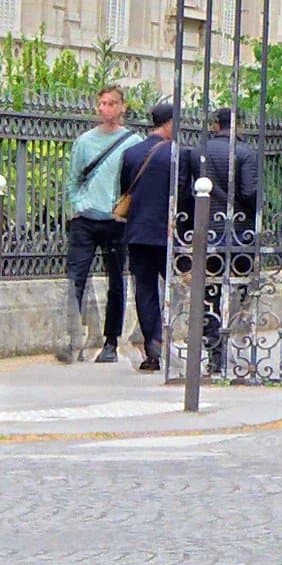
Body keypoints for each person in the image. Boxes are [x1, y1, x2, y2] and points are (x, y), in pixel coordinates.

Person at [62, 87, 142, 364]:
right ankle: (72, 339)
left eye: (111, 104)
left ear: (122, 107)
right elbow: (73, 178)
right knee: (76, 278)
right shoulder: (84, 142)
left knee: (116, 281)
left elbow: (137, 180)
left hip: (115, 219)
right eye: (102, 104)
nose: (106, 109)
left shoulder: (133, 141)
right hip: (86, 219)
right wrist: (77, 204)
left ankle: (110, 342)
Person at [186, 106, 264, 377]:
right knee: (241, 287)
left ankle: (214, 354)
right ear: (237, 125)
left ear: (216, 125)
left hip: (207, 230)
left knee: (210, 293)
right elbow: (249, 191)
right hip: (240, 231)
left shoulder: (198, 152)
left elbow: (188, 191)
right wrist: (256, 214)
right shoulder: (245, 152)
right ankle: (238, 338)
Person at [118, 102, 183, 374]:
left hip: (138, 233)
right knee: (178, 287)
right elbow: (186, 195)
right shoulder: (177, 154)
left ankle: (153, 347)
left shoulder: (132, 153)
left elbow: (125, 190)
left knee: (144, 291)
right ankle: (192, 341)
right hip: (169, 233)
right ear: (169, 123)